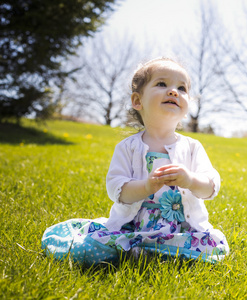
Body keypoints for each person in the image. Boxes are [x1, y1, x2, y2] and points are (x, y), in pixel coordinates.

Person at [41, 57, 229, 264]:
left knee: (214, 249)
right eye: (162, 84)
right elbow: (117, 190)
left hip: (181, 230)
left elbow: (211, 186)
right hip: (133, 227)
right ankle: (146, 250)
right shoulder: (128, 147)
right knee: (88, 250)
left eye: (182, 88)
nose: (174, 91)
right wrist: (147, 186)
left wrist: (191, 181)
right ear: (137, 101)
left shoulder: (192, 147)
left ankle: (153, 251)